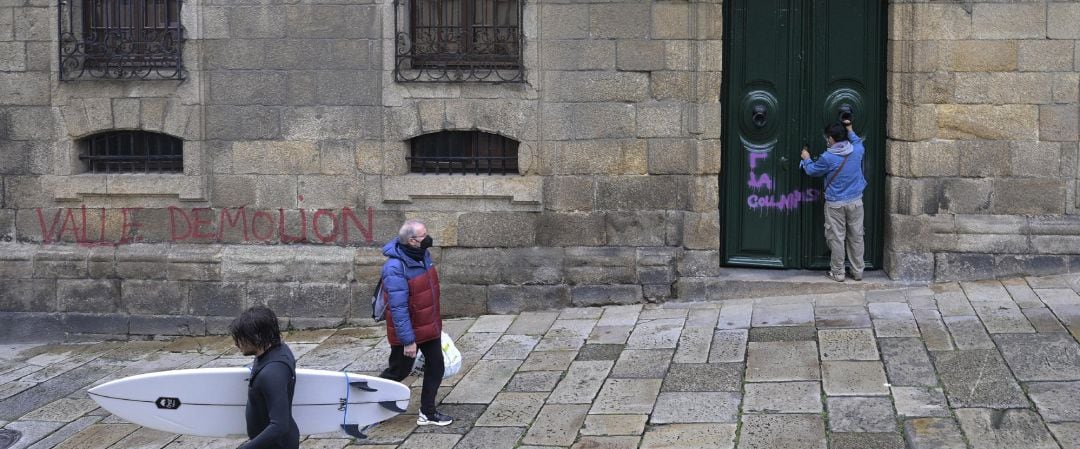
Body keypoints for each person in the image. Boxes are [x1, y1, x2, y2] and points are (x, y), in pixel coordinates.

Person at [378, 219, 453, 426]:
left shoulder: (422, 255)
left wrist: (436, 323)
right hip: (409, 331)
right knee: (399, 371)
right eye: (423, 235)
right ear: (412, 241)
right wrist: (408, 340)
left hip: (428, 326)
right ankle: (370, 400)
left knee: (436, 366)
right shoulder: (395, 267)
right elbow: (398, 307)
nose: (427, 238)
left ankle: (428, 412)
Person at [799, 118, 867, 282]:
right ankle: (857, 272)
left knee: (837, 238)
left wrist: (806, 158)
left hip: (835, 204)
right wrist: (850, 128)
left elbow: (812, 171)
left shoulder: (828, 157)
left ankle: (838, 273)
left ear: (831, 138)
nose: (826, 140)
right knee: (856, 237)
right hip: (856, 202)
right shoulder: (857, 150)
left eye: (828, 137)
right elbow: (857, 141)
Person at [229, 306, 300, 449]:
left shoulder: (272, 373)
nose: (236, 344)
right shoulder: (278, 349)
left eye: (241, 339)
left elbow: (279, 426)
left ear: (258, 337)